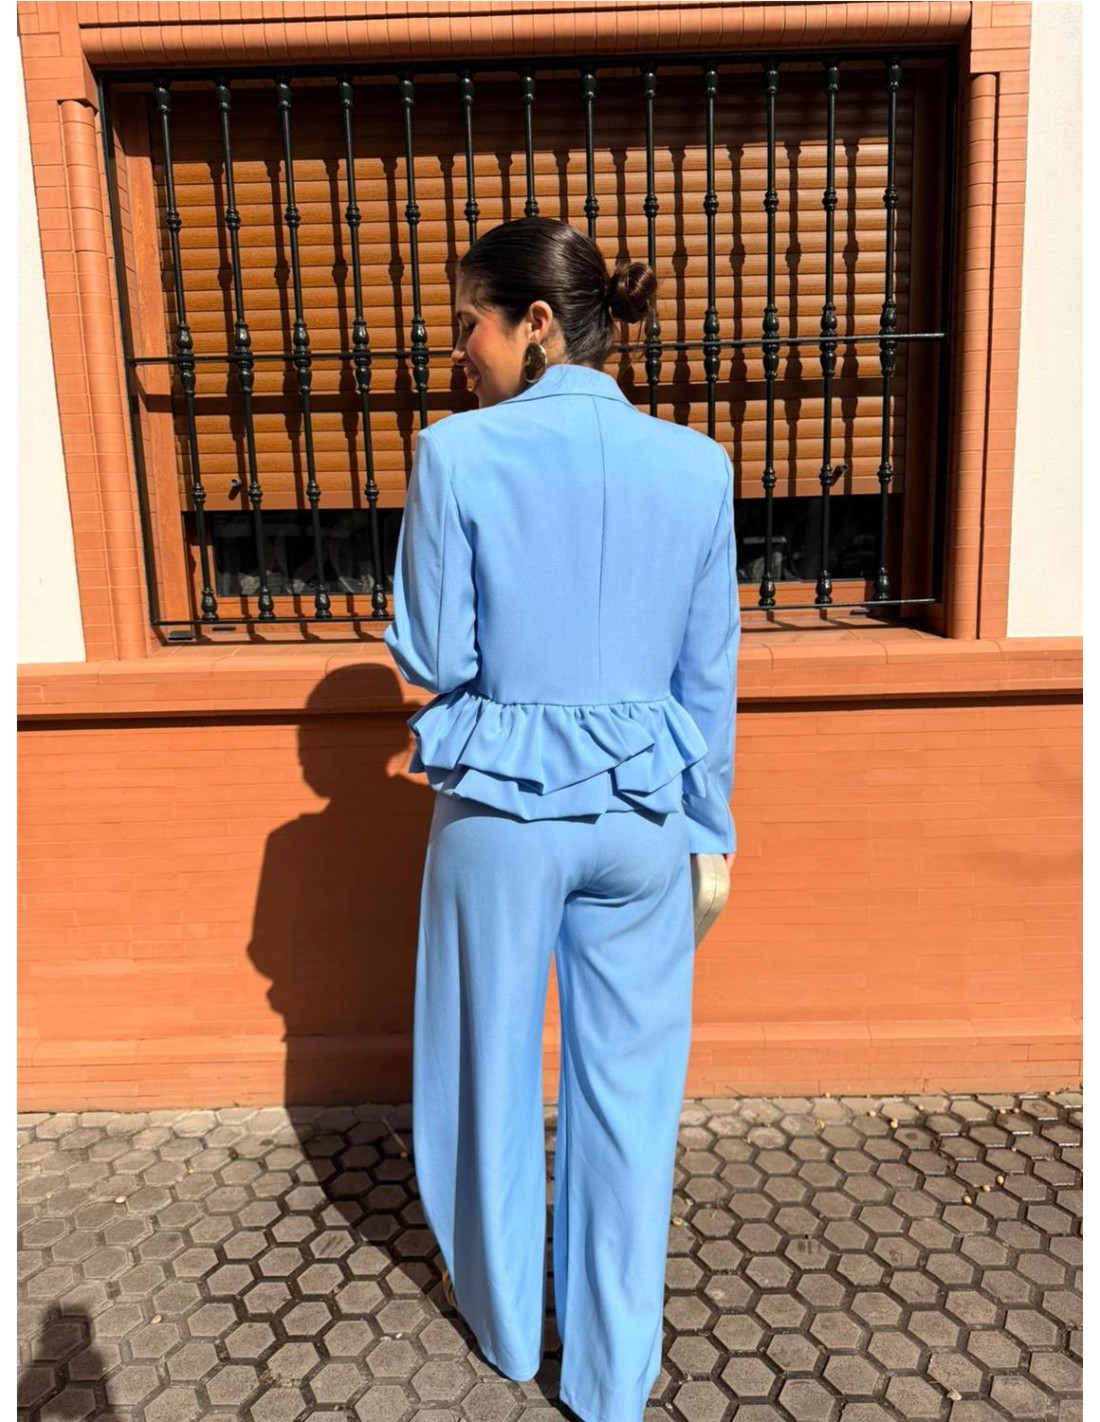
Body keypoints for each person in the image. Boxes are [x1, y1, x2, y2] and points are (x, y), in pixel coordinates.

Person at [383, 217, 739, 1422]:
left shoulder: (454, 455)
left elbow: (437, 657)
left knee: (483, 1070)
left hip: (502, 806)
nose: (459, 352)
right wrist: (711, 827)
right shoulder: (696, 465)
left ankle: (501, 1328)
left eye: (469, 324)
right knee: (630, 1099)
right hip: (646, 811)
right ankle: (610, 1373)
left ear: (534, 322)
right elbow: (707, 673)